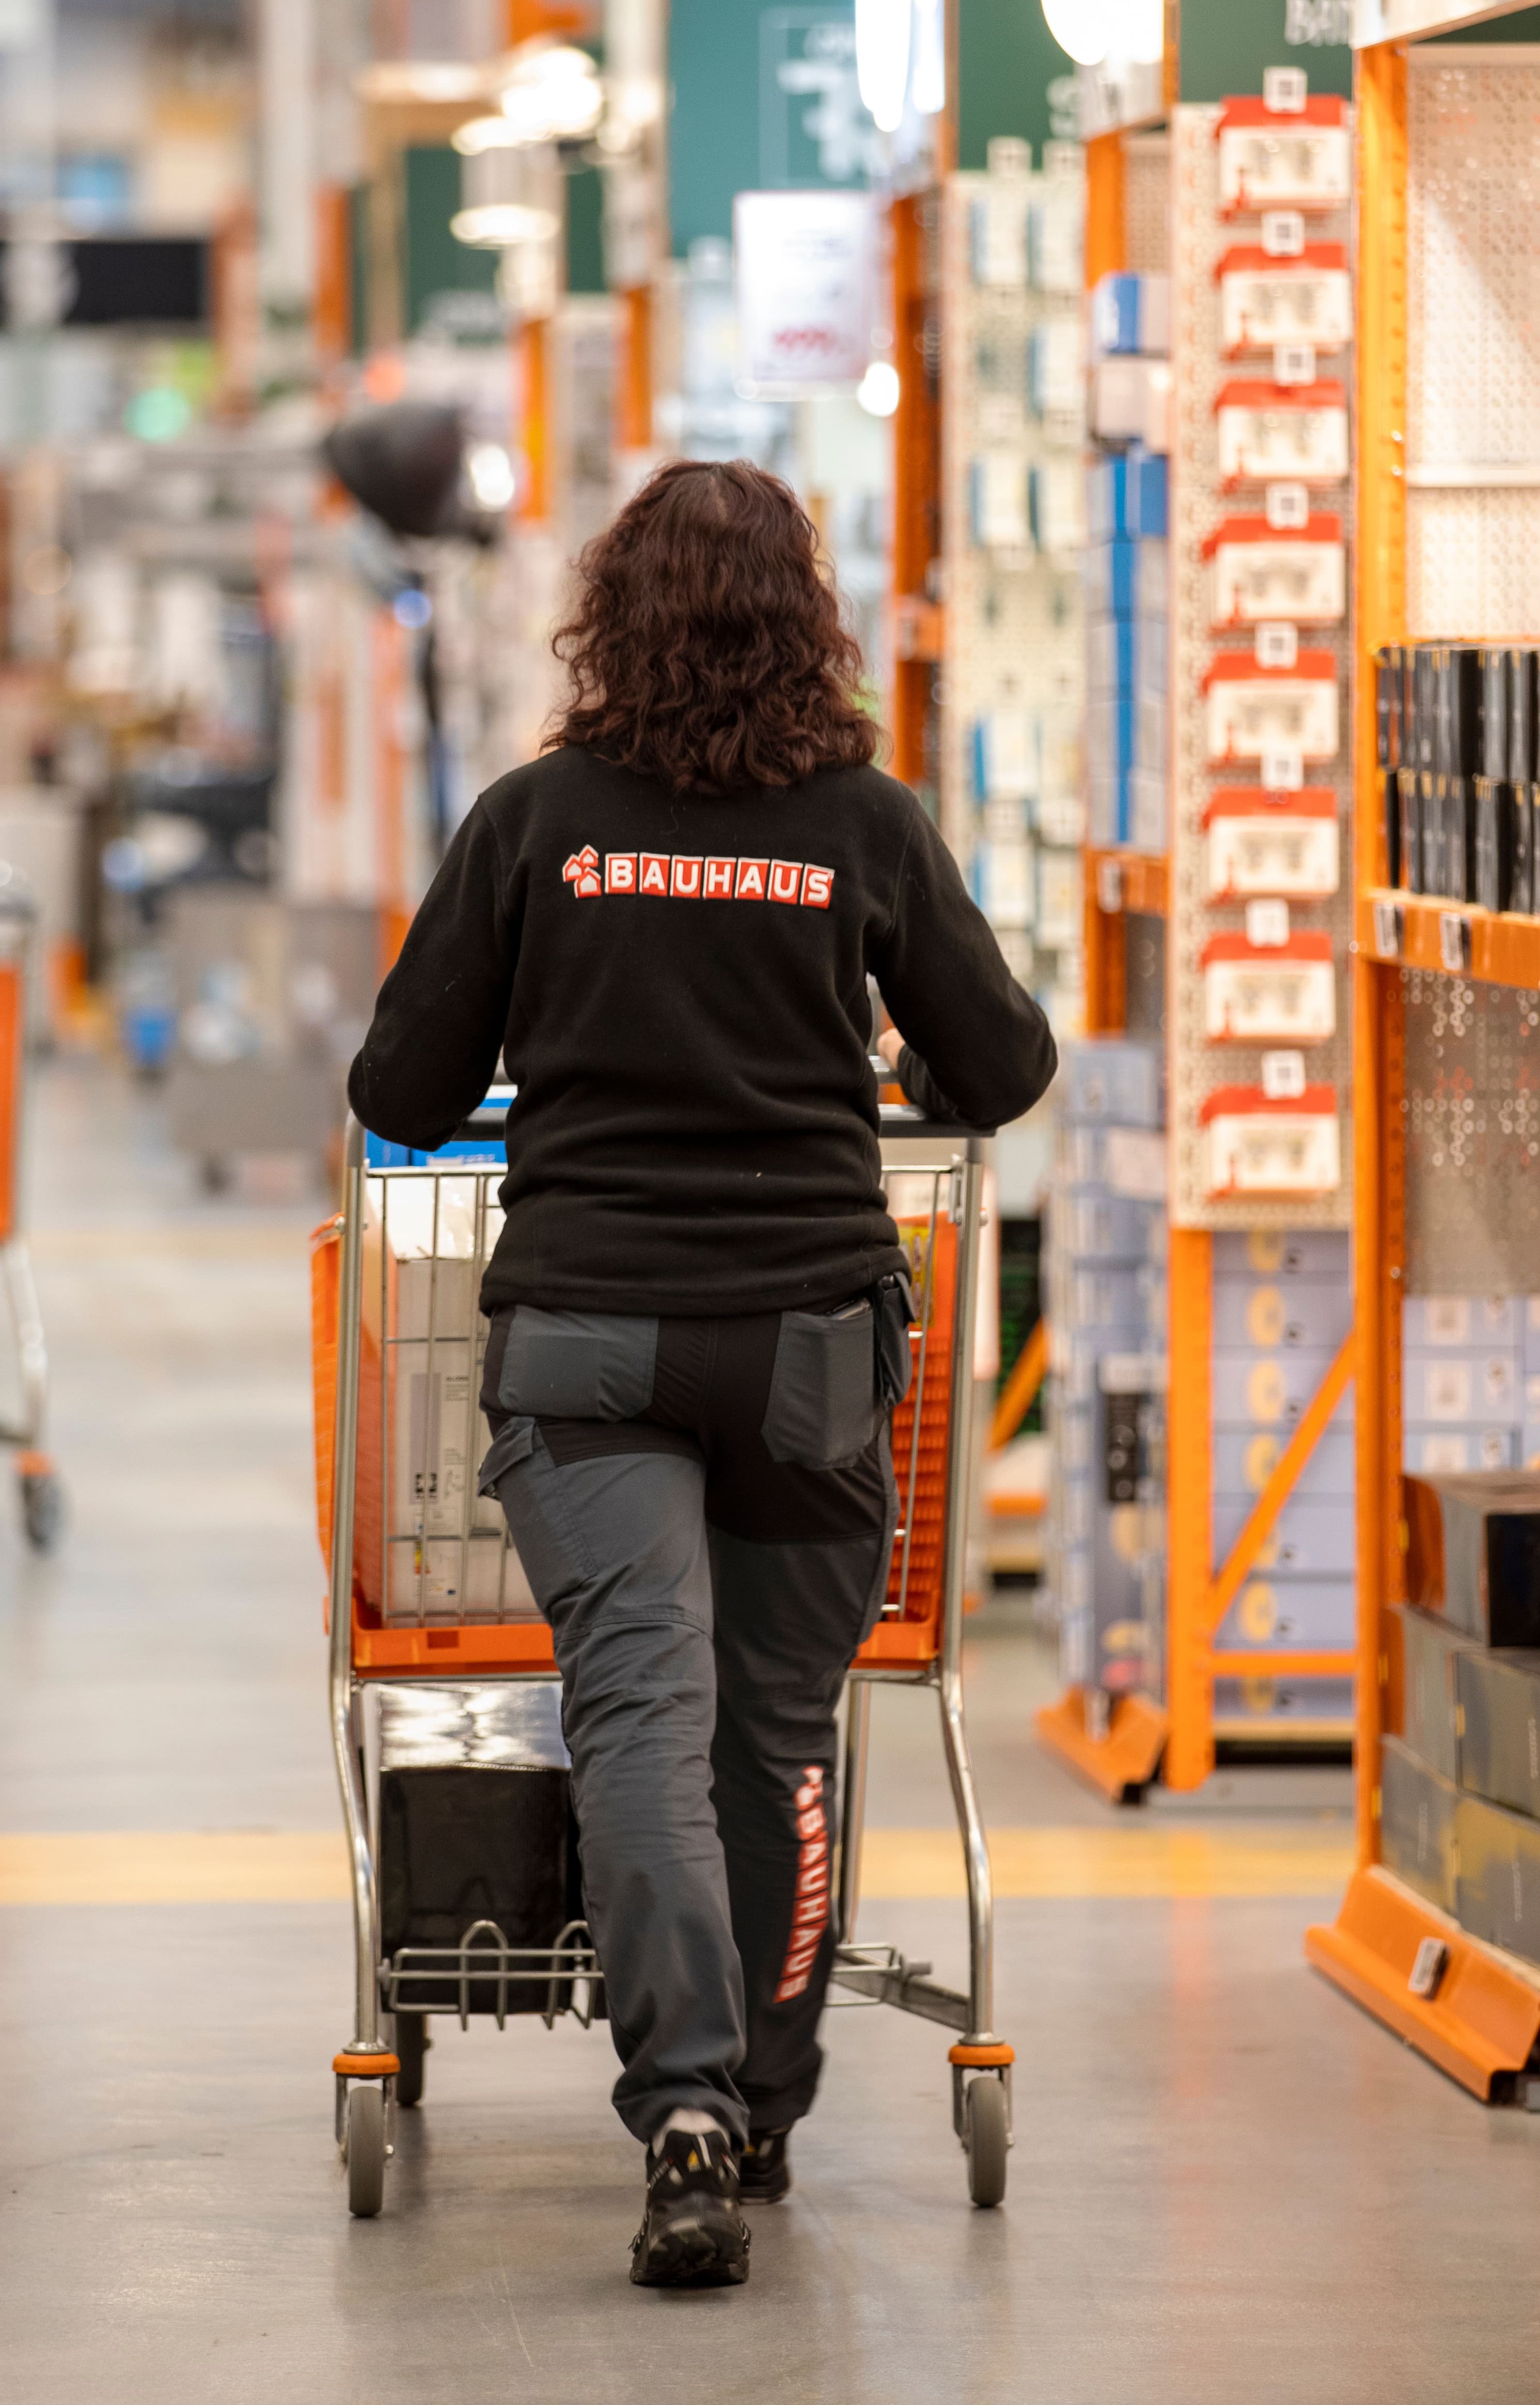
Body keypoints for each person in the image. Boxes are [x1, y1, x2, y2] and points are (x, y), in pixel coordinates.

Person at [347, 461, 1055, 2290]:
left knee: (642, 1721)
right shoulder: (864, 825)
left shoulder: (535, 820)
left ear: (611, 618)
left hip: (589, 1343)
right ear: (807, 622)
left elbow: (402, 1089)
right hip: (807, 1348)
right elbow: (1003, 1067)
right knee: (777, 1740)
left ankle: (679, 2113)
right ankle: (760, 2104)